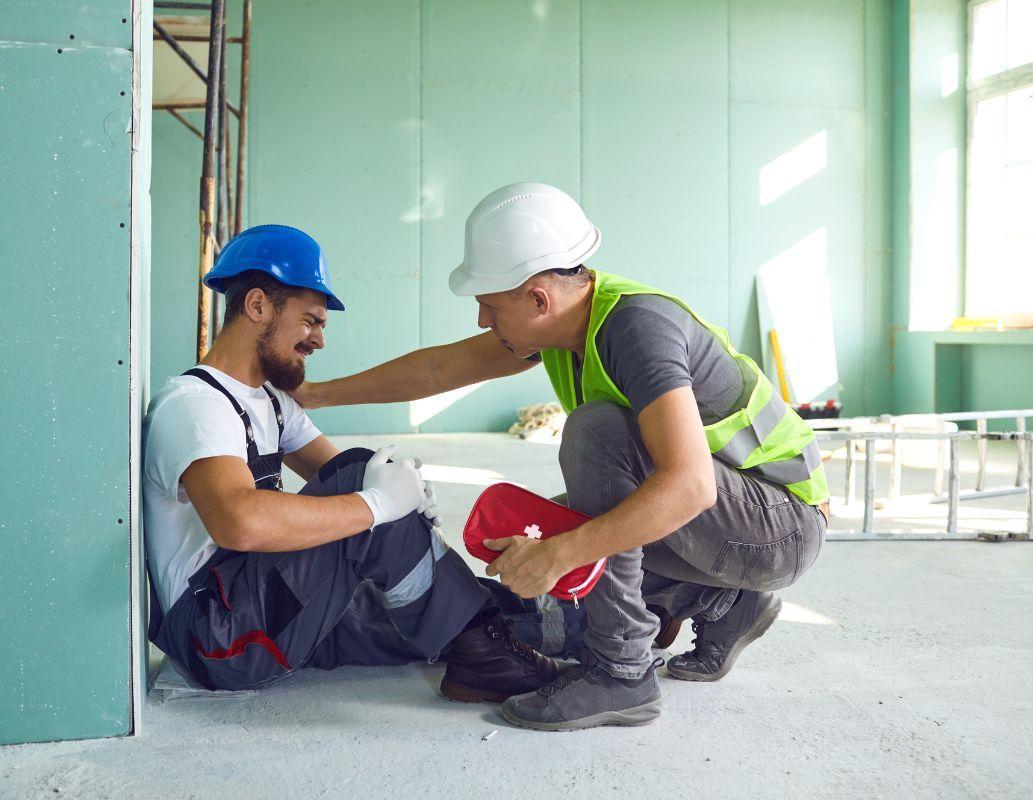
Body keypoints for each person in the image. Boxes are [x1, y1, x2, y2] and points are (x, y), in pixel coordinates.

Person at [294, 183, 831, 731]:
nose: (482, 320)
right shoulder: (561, 326)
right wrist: (312, 396)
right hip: (737, 521)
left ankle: (621, 676)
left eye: (488, 303)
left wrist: (561, 555)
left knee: (594, 440)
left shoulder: (637, 331)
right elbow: (438, 369)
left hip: (779, 524)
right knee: (553, 535)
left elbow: (691, 486)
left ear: (537, 298)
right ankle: (723, 603)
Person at [143, 223, 563, 701]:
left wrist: (402, 499)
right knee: (365, 488)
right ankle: (484, 661)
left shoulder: (271, 401)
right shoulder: (196, 404)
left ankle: (553, 626)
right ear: (257, 305)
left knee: (417, 610)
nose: (319, 340)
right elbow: (239, 523)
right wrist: (378, 506)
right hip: (217, 634)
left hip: (264, 599)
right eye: (310, 320)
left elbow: (351, 470)